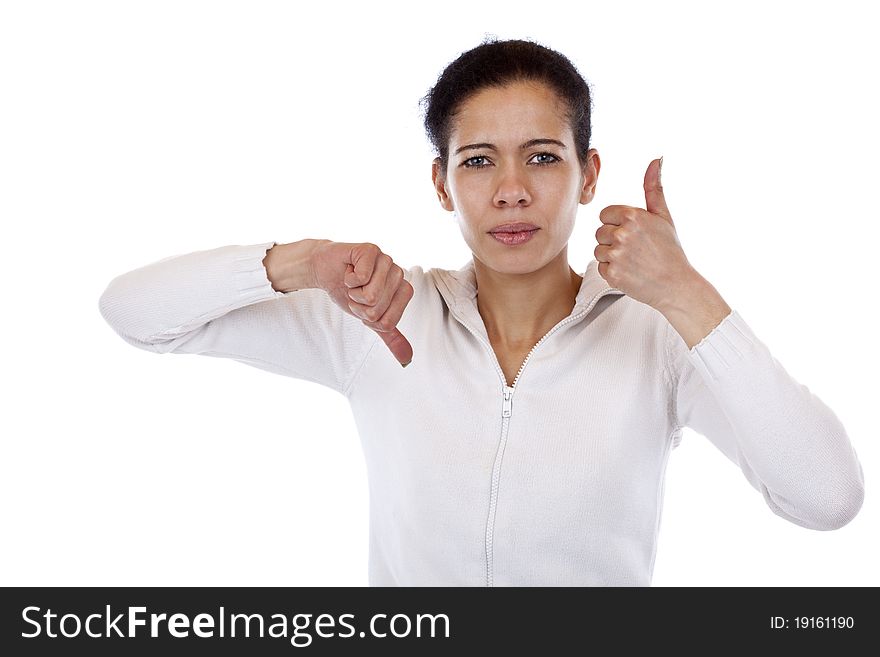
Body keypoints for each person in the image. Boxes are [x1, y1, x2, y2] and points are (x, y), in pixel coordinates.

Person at [98, 38, 864, 586]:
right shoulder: (377, 317)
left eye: (541, 156)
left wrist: (686, 294)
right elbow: (134, 312)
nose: (510, 191)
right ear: (440, 183)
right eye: (477, 161)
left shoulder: (655, 335)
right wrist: (295, 262)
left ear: (588, 172)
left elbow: (828, 497)